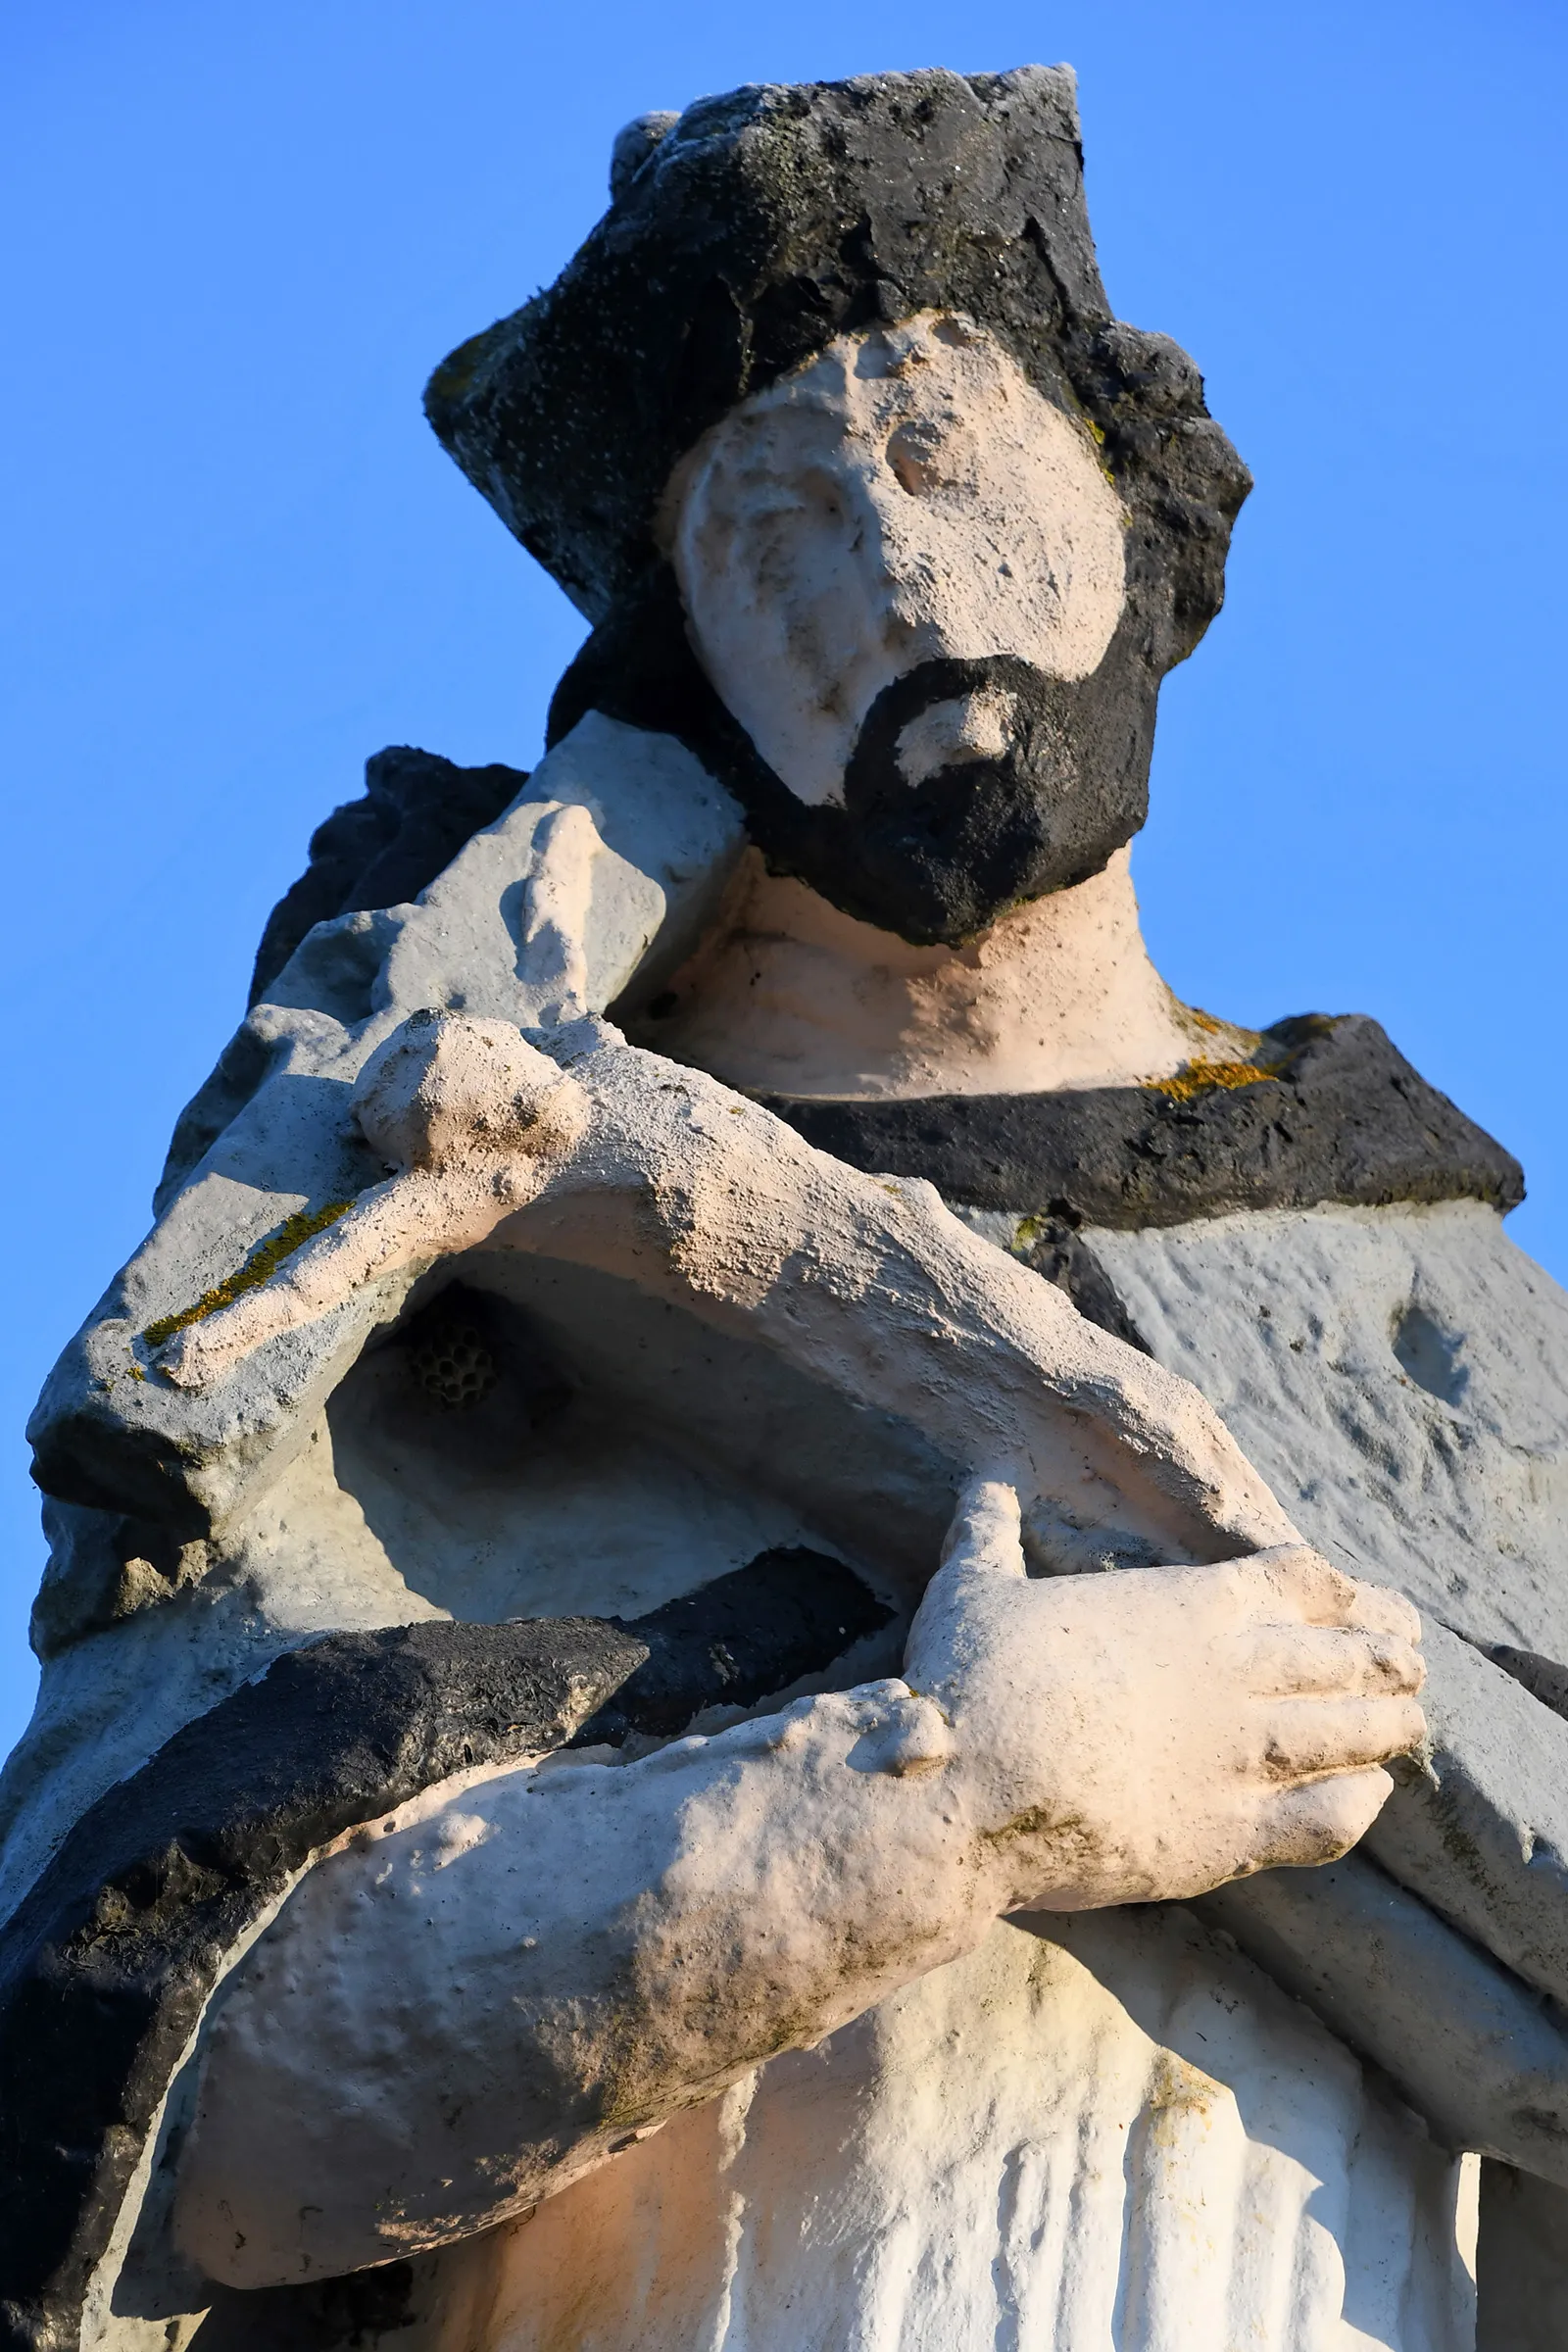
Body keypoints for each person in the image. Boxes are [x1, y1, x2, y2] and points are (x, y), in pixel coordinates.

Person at [3, 67, 1565, 2352]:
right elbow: (143, 2093)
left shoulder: (1455, 1317)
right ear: (685, 688)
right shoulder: (434, 1272)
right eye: (767, 538)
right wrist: (930, 1805)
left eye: (942, 456)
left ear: (1141, 505)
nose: (893, 577)